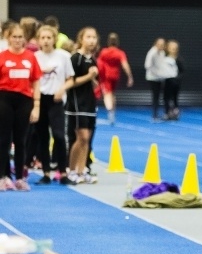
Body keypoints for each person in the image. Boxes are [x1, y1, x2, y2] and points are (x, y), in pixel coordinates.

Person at [0, 23, 42, 191]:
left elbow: (36, 81)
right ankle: (3, 176)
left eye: (20, 37)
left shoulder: (31, 57)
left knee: (21, 140)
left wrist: (36, 105)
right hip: (4, 98)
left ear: (24, 38)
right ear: (8, 38)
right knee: (3, 139)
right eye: (14, 37)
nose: (17, 40)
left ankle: (19, 177)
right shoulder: (2, 56)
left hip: (25, 100)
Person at [33, 25, 74, 185]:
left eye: (49, 37)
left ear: (54, 39)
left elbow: (71, 78)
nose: (46, 41)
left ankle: (63, 172)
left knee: (59, 135)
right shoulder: (35, 56)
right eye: (42, 38)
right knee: (43, 136)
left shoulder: (63, 56)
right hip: (40, 98)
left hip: (56, 100)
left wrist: (61, 89)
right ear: (38, 40)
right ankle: (46, 172)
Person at [65, 27, 100, 184]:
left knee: (88, 139)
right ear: (81, 39)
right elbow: (71, 82)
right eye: (88, 37)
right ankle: (71, 170)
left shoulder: (92, 59)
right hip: (77, 104)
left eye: (94, 37)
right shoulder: (76, 58)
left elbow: (92, 83)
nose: (92, 40)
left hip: (90, 103)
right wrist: (89, 76)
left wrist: (94, 80)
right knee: (81, 137)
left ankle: (81, 170)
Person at [97, 32, 134, 125]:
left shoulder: (104, 52)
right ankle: (113, 112)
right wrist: (129, 76)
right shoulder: (120, 53)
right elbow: (125, 65)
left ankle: (110, 111)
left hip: (106, 76)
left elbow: (98, 63)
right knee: (112, 94)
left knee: (107, 94)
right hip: (115, 76)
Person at [144, 37, 166, 121]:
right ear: (155, 44)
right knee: (156, 96)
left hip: (160, 78)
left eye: (163, 44)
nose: (161, 46)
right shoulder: (152, 53)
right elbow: (147, 65)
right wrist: (156, 73)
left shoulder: (162, 53)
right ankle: (154, 114)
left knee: (159, 96)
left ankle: (158, 113)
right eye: (159, 44)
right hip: (152, 78)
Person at [162, 39, 183, 120]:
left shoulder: (179, 59)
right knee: (166, 98)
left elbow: (182, 71)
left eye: (175, 48)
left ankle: (175, 112)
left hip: (175, 82)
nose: (173, 49)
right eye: (171, 47)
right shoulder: (164, 58)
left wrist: (177, 79)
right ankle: (167, 112)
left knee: (174, 98)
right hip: (167, 81)